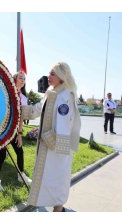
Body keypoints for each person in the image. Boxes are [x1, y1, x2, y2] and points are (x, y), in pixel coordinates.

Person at [21, 62, 81, 212]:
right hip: (48, 147)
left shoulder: (65, 96)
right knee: (48, 179)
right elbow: (37, 109)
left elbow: (65, 125)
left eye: (53, 74)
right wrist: (18, 109)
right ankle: (58, 208)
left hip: (58, 149)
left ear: (62, 77)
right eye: (49, 73)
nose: (49, 77)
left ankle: (58, 209)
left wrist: (48, 138)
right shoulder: (51, 92)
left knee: (58, 178)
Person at [0, 71, 32, 191]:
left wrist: (19, 134)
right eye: (20, 77)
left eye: (24, 78)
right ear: (14, 79)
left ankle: (21, 175)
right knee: (2, 155)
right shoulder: (6, 92)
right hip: (3, 129)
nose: (23, 80)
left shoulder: (23, 98)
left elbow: (21, 118)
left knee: (20, 152)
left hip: (14, 131)